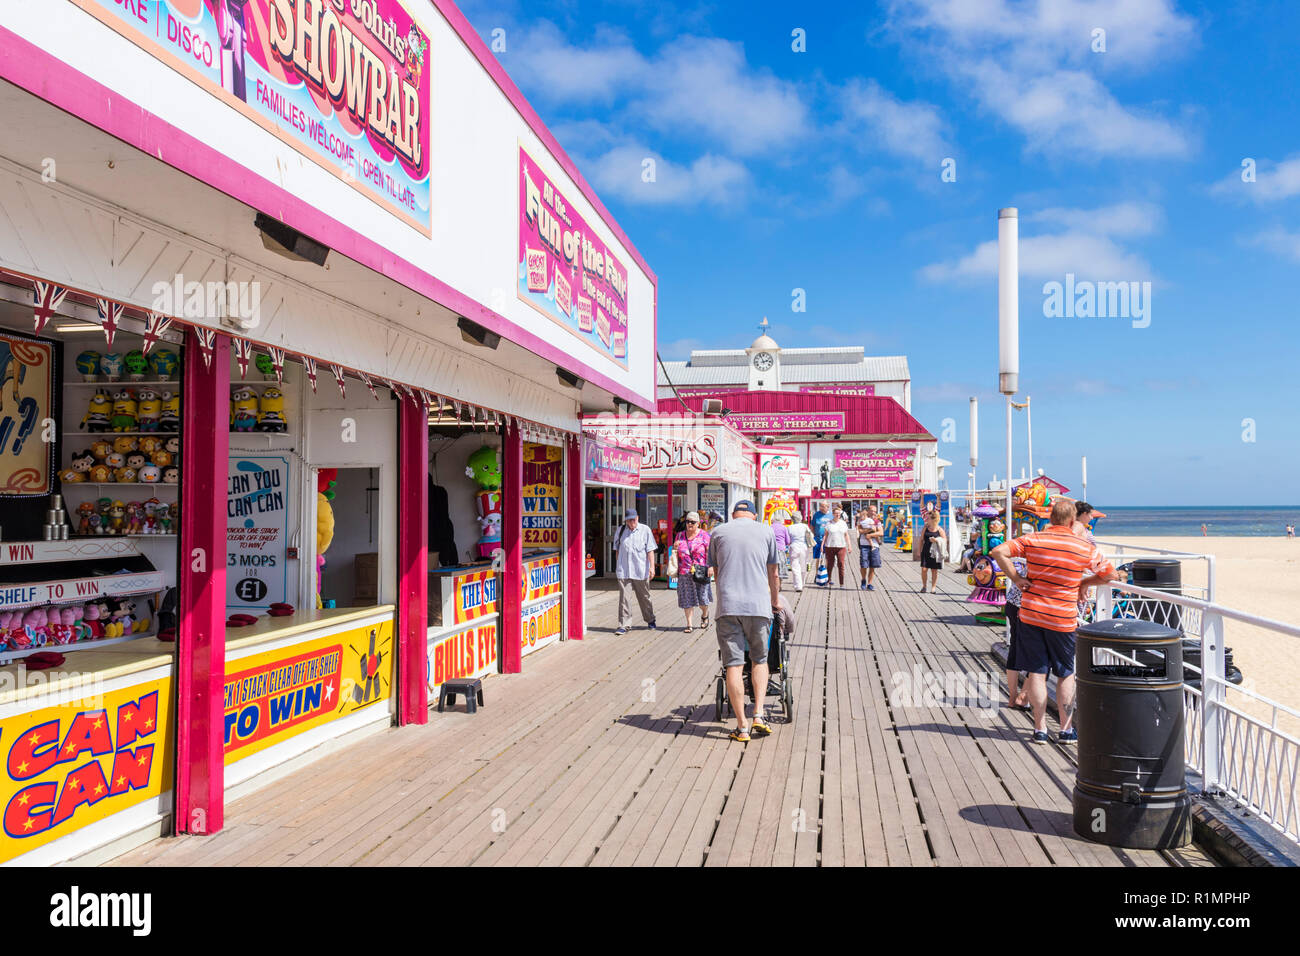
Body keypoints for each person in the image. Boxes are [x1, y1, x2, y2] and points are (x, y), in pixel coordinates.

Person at [991, 500, 1120, 745]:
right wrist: (1084, 583)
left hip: (1031, 614)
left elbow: (999, 552)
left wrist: (1017, 579)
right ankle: (1065, 729)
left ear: (1051, 518)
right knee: (1065, 673)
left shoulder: (1034, 539)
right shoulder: (1083, 546)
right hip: (1062, 618)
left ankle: (1040, 729)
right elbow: (1110, 575)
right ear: (1073, 521)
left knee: (1037, 674)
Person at [708, 500, 781, 743]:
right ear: (754, 514)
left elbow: (716, 572)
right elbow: (774, 573)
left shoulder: (718, 532)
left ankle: (742, 727)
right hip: (759, 606)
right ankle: (759, 715)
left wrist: (723, 599)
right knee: (759, 659)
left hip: (728, 607)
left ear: (732, 515)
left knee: (734, 665)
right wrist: (774, 600)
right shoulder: (767, 531)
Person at [613, 508, 657, 635]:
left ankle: (650, 619)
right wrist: (618, 566)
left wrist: (652, 567)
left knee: (644, 597)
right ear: (626, 520)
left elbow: (650, 550)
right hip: (624, 570)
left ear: (637, 518)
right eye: (629, 520)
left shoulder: (645, 530)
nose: (632, 522)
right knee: (624, 598)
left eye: (633, 519)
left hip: (640, 569)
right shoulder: (620, 531)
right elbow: (617, 550)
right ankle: (624, 625)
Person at [673, 511, 713, 632]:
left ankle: (705, 614)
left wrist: (711, 567)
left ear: (698, 524)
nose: (689, 524)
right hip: (684, 571)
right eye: (687, 522)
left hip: (700, 570)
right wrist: (675, 547)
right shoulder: (679, 536)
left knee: (702, 598)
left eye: (692, 522)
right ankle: (689, 624)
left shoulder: (704, 536)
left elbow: (710, 553)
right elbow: (676, 552)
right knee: (687, 598)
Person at [1003, 556, 1030, 712]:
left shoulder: (1033, 555)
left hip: (1013, 603)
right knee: (1039, 653)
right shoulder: (1050, 560)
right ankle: (1023, 697)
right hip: (1027, 608)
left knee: (1014, 648)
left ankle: (1013, 697)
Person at [917, 509, 946, 592]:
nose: (927, 520)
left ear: (934, 519)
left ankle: (933, 587)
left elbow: (944, 540)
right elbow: (921, 539)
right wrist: (919, 551)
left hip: (935, 552)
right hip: (926, 551)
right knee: (924, 569)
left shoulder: (940, 529)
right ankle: (924, 586)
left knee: (934, 570)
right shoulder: (925, 528)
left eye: (928, 518)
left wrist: (936, 540)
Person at [856, 504, 884, 591]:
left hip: (874, 545)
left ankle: (869, 584)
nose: (873, 513)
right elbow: (860, 531)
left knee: (873, 565)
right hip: (864, 544)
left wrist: (870, 535)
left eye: (875, 511)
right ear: (868, 511)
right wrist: (870, 530)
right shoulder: (862, 519)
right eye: (871, 511)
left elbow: (881, 533)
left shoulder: (877, 521)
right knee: (863, 564)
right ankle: (863, 579)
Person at [821, 506, 850, 587]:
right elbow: (825, 535)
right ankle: (828, 581)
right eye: (836, 513)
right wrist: (822, 545)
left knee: (841, 564)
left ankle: (841, 584)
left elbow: (846, 535)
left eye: (839, 513)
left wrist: (849, 546)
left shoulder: (843, 523)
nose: (837, 515)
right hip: (830, 546)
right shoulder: (829, 523)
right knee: (830, 565)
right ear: (833, 514)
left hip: (841, 546)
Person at [785, 512, 814, 591]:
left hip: (794, 546)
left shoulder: (789, 527)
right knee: (803, 565)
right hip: (804, 547)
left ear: (792, 519)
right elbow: (811, 535)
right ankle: (802, 582)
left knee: (795, 566)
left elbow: (788, 539)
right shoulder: (804, 526)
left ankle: (798, 585)